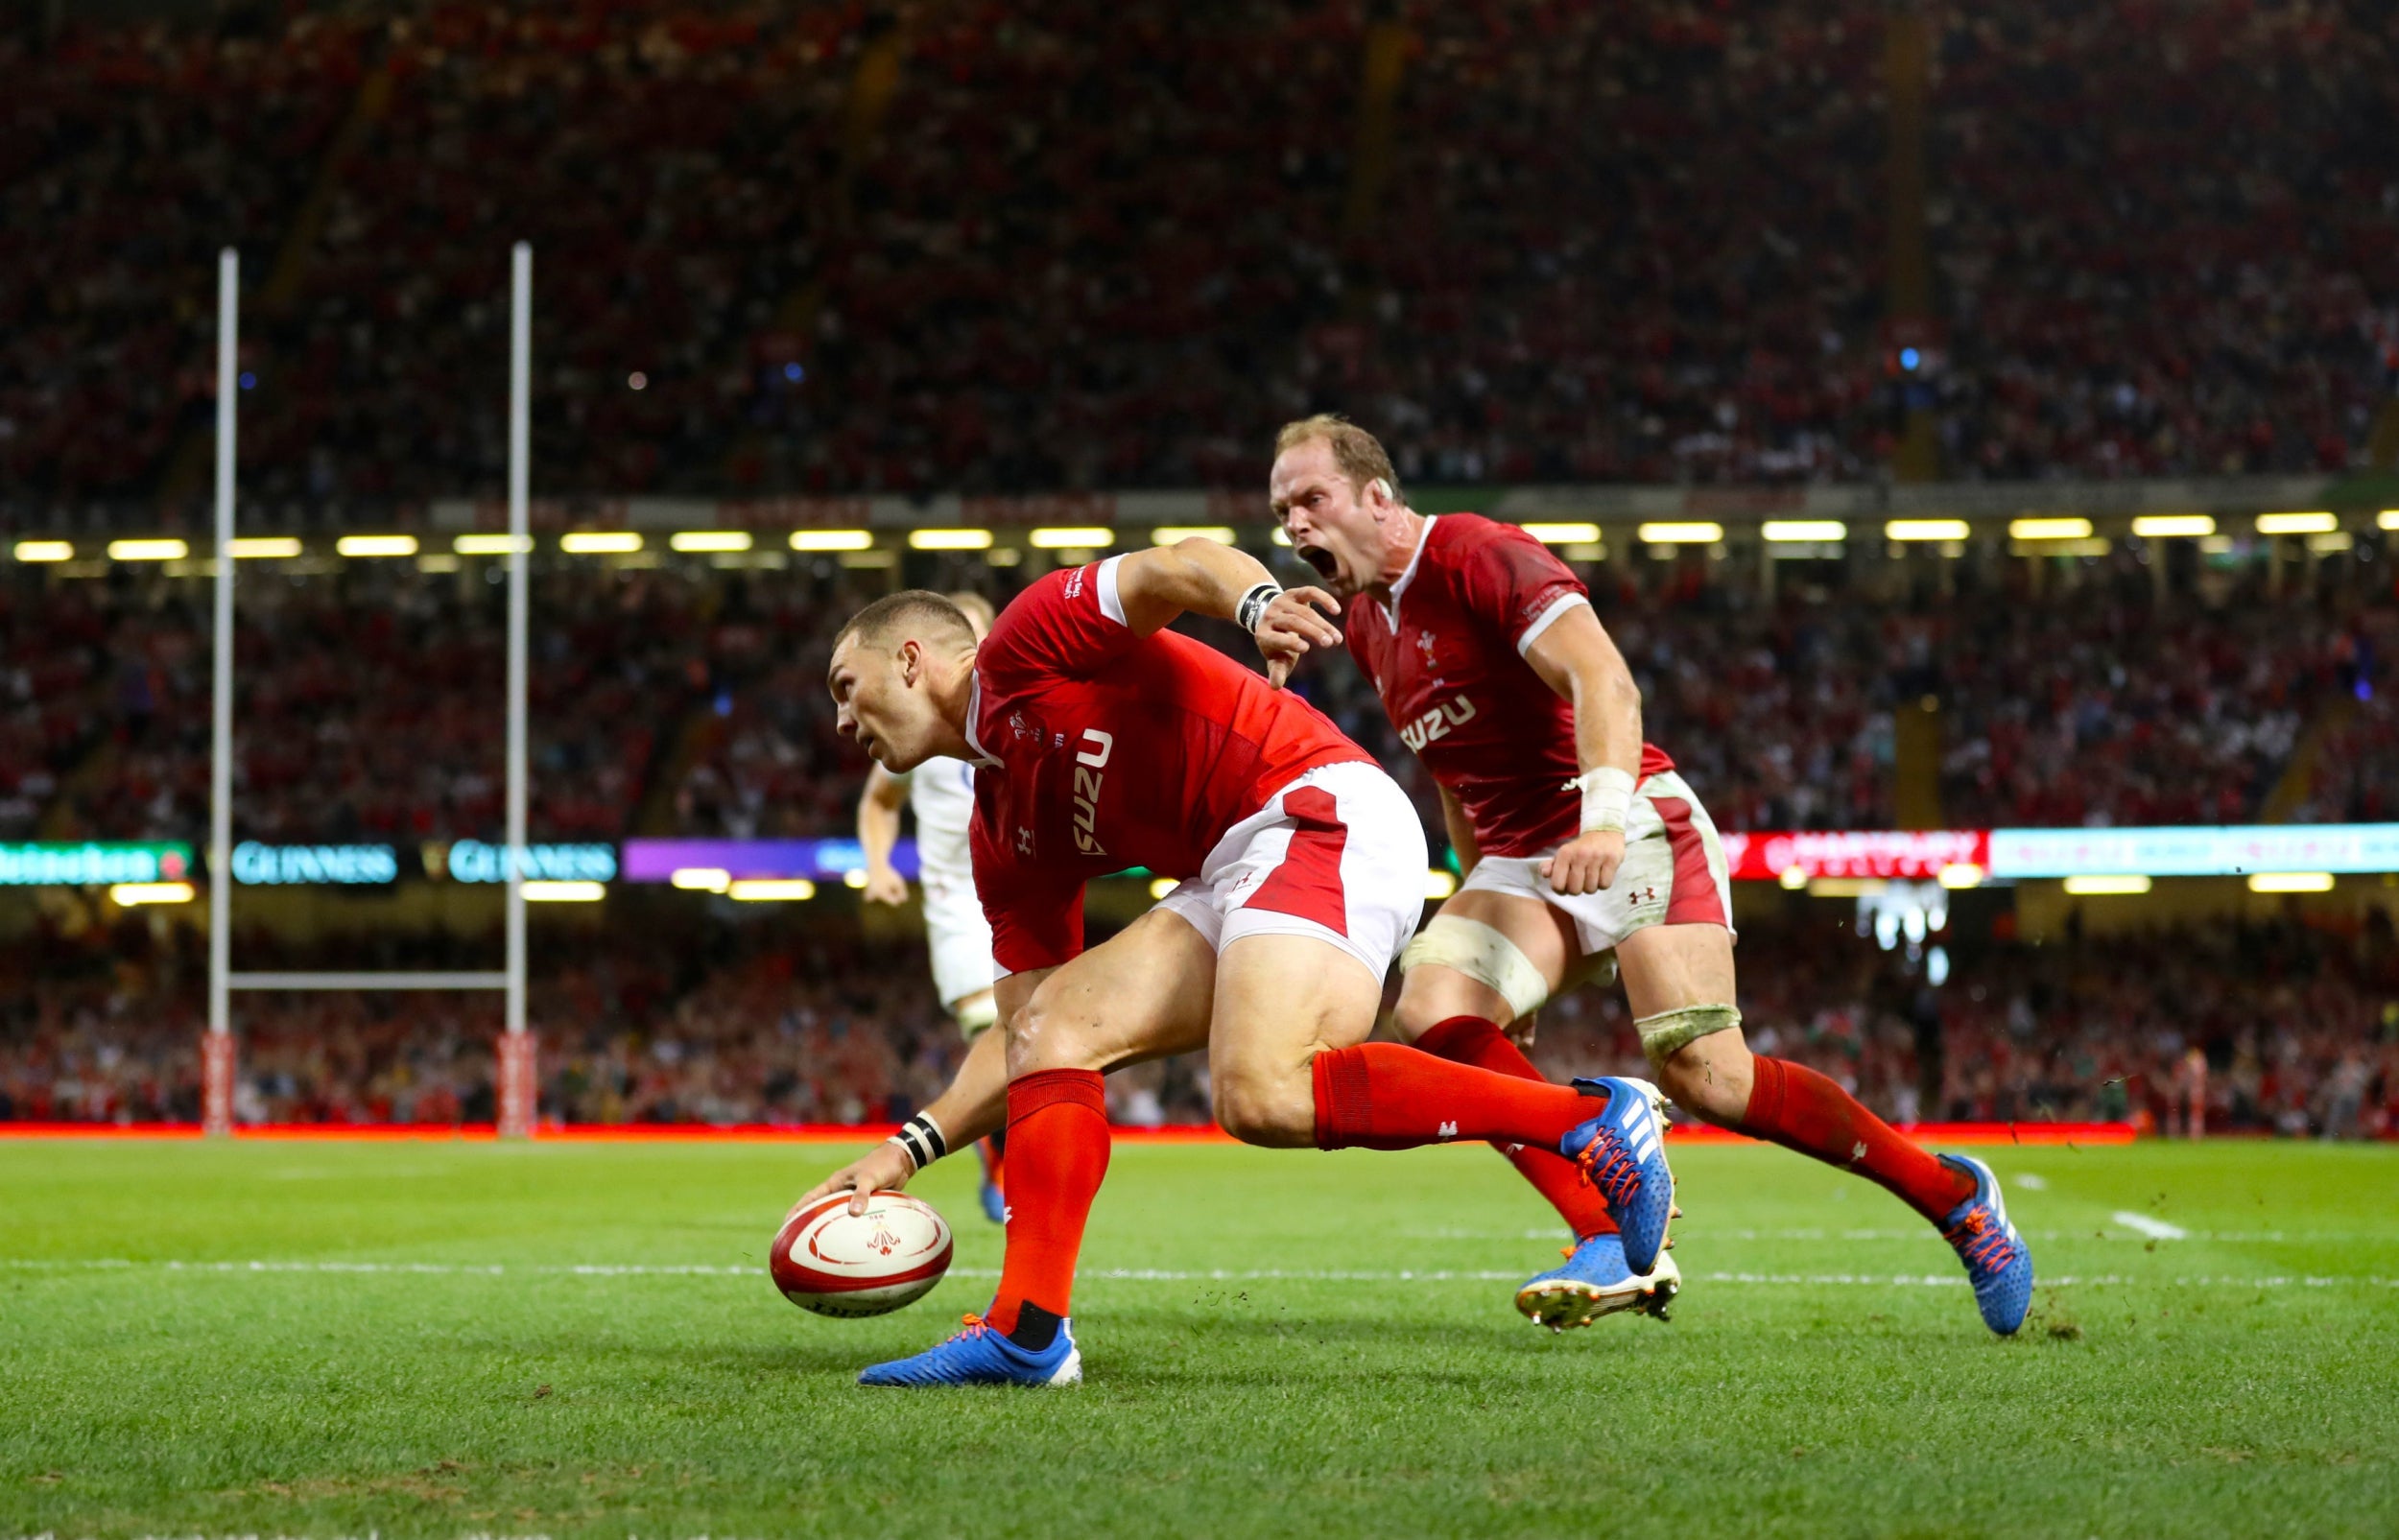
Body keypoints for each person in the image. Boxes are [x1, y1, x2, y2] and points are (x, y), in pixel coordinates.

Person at [804, 542, 1676, 1386]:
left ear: (912, 659)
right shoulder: (1003, 834)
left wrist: (1257, 605)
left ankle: (1590, 1117)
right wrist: (905, 1149)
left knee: (1258, 1092)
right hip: (1233, 867)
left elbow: (1171, 566)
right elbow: (1019, 1039)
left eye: (849, 688)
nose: (842, 722)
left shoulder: (1023, 645)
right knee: (1053, 1030)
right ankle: (1027, 1331)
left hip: (1316, 807)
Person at [1268, 414, 2034, 1338]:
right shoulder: (1367, 625)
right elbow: (1454, 779)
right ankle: (1604, 1231)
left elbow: (1605, 680)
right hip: (1523, 858)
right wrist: (1496, 930)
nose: (1297, 527)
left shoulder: (1473, 550)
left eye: (1313, 500)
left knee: (1710, 1077)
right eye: (1283, 512)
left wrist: (1599, 819)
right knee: (1434, 1009)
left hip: (1627, 815)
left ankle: (1955, 1196)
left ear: (1378, 499)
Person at [855, 589, 1009, 1223]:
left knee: (1038, 1045)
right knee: (993, 1031)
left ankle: (1004, 1155)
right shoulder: (915, 727)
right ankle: (1003, 1171)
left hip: (1020, 893)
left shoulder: (1018, 710)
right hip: (958, 908)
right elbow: (878, 803)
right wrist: (879, 865)